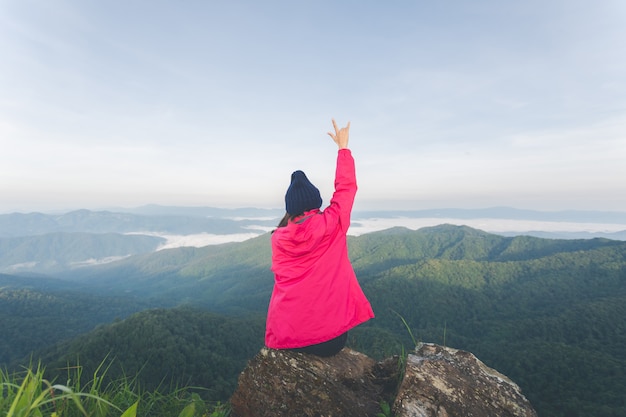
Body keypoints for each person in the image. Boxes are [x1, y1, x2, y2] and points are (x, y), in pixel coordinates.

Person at [265, 119, 375, 357]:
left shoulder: (278, 239)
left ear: (290, 209)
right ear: (316, 202)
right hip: (330, 341)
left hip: (288, 339)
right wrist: (343, 149)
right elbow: (346, 189)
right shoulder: (332, 223)